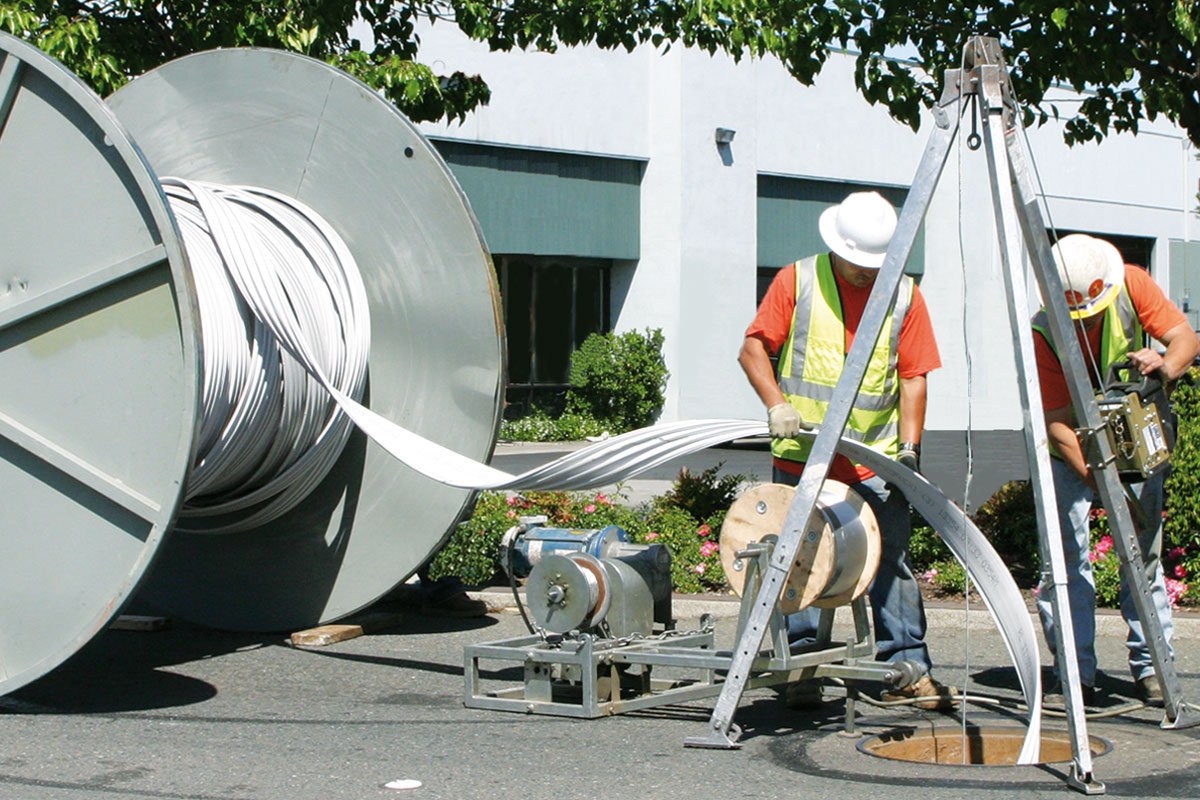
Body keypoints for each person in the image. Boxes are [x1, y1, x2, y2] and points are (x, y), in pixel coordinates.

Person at [738, 190, 951, 709]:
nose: (864, 271)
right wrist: (776, 404)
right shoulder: (797, 280)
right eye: (857, 262)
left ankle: (907, 668)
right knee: (800, 561)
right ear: (837, 246)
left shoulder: (904, 295)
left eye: (873, 263)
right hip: (804, 454)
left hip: (873, 459)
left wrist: (909, 451)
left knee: (890, 561)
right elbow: (753, 349)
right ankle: (801, 667)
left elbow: (913, 377)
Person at [1032, 233, 1199, 707]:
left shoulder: (1131, 283)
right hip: (1072, 447)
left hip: (1135, 442)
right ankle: (1075, 674)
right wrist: (1101, 481)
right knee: (1065, 564)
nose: (1087, 321)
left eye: (1092, 313)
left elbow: (1185, 340)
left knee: (1141, 556)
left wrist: (1162, 366)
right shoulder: (1044, 330)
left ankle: (1153, 667)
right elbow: (1058, 424)